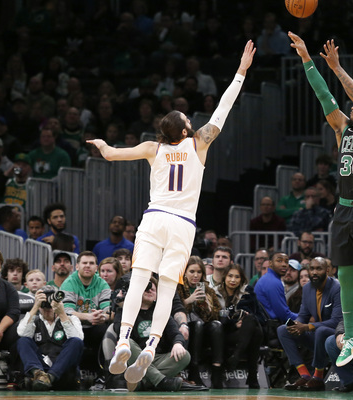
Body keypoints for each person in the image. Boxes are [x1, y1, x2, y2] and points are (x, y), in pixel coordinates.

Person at [91, 40, 256, 386]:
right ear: (184, 130)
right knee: (166, 290)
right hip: (182, 224)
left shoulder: (154, 148)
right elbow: (223, 108)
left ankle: (123, 339)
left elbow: (111, 155)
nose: (191, 120)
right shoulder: (199, 143)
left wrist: (104, 146)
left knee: (138, 280)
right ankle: (150, 346)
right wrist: (241, 70)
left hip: (153, 218)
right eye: (186, 119)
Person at [289, 32, 353, 369]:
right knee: (345, 276)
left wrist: (336, 67)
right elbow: (323, 96)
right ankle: (351, 337)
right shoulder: (342, 129)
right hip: (344, 211)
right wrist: (307, 58)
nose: (350, 106)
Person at [113, 276, 202, 392]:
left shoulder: (161, 311)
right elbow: (119, 330)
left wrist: (178, 343)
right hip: (136, 357)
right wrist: (123, 307)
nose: (150, 291)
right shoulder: (128, 311)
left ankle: (142, 383)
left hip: (156, 357)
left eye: (153, 289)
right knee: (127, 343)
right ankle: (160, 381)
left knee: (184, 356)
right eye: (146, 288)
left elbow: (175, 333)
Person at [278, 256, 342, 391]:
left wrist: (306, 327)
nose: (314, 272)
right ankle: (305, 375)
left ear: (328, 270)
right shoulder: (307, 288)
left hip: (335, 336)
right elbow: (303, 315)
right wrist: (297, 325)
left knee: (321, 330)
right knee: (283, 330)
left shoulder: (337, 287)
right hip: (317, 336)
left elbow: (336, 321)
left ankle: (318, 377)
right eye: (312, 269)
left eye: (319, 268)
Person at [16, 285, 84, 390]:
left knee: (76, 341)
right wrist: (35, 307)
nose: (48, 309)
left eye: (51, 306)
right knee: (23, 341)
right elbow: (22, 333)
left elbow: (78, 340)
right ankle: (40, 376)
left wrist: (62, 314)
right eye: (44, 305)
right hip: (40, 368)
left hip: (62, 371)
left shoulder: (71, 319)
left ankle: (50, 377)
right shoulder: (34, 320)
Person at [214, 264, 264, 389]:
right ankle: (252, 376)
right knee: (255, 332)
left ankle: (236, 357)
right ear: (225, 277)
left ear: (241, 279)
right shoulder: (216, 294)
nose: (233, 280)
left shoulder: (248, 293)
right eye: (230, 276)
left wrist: (247, 321)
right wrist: (235, 324)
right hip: (227, 333)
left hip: (247, 332)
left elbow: (260, 317)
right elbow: (216, 320)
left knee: (252, 323)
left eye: (237, 277)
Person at [175, 256, 223, 388]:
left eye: (199, 272)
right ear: (185, 272)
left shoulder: (207, 290)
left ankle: (217, 370)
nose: (196, 275)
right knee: (197, 325)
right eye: (192, 272)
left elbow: (216, 316)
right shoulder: (177, 288)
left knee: (217, 325)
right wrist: (188, 301)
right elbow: (172, 310)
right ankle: (194, 371)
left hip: (203, 329)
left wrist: (206, 306)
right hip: (183, 328)